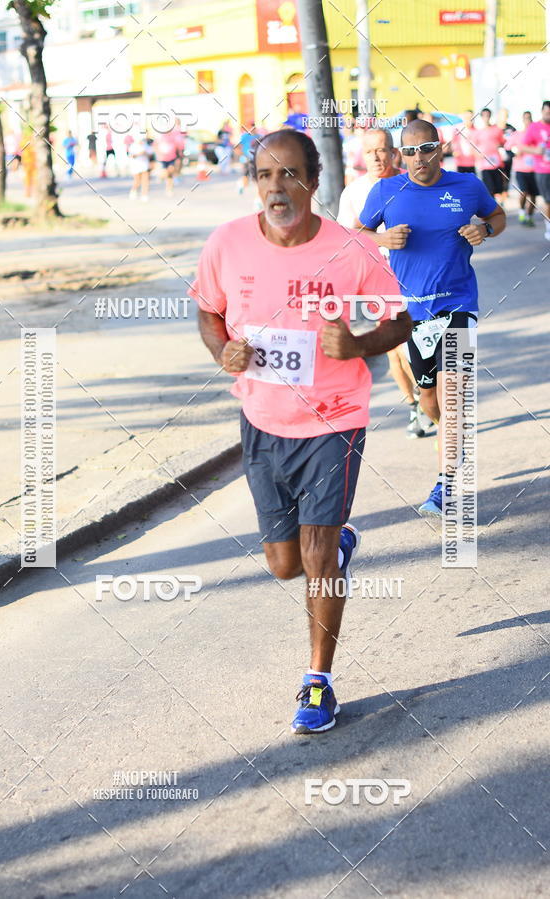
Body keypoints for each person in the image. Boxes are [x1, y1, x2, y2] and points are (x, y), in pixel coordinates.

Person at [189, 129, 411, 733]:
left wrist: (360, 344)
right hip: (262, 420)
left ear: (314, 182)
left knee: (315, 559)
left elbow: (401, 320)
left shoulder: (350, 250)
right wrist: (223, 351)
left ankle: (318, 682)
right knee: (284, 564)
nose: (276, 187)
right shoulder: (228, 243)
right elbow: (208, 309)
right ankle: (335, 546)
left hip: (334, 418)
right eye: (265, 175)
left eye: (289, 174)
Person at [359, 119, 506, 516]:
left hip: (459, 305)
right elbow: (355, 233)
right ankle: (445, 430)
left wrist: (484, 231)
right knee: (430, 398)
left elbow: (497, 216)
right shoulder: (386, 191)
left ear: (439, 148)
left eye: (425, 149)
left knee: (453, 395)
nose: (417, 158)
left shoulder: (468, 186)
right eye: (408, 151)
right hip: (413, 314)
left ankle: (446, 484)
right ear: (399, 155)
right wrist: (382, 239)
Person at [337, 127, 433, 438]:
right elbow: (345, 238)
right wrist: (380, 238)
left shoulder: (411, 182)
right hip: (377, 280)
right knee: (395, 349)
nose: (377, 157)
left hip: (418, 276)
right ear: (361, 156)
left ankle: (426, 396)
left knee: (419, 346)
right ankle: (414, 405)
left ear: (394, 152)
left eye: (382, 150)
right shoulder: (353, 192)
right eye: (370, 151)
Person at [522, 100, 550, 241]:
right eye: (547, 113)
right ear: (542, 111)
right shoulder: (535, 127)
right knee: (548, 201)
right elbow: (523, 146)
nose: (549, 116)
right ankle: (549, 228)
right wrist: (536, 150)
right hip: (543, 170)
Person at [505, 111, 537, 226]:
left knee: (533, 195)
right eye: (526, 118)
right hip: (520, 169)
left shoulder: (535, 134)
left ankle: (530, 217)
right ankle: (522, 212)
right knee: (524, 192)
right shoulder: (517, 134)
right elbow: (507, 148)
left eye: (530, 118)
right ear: (523, 120)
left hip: (534, 169)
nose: (528, 121)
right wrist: (515, 153)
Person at [473, 108, 506, 203]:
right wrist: (478, 155)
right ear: (482, 117)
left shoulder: (497, 129)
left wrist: (499, 145)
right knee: (489, 188)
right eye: (484, 116)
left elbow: (503, 143)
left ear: (490, 116)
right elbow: (473, 148)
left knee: (499, 188)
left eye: (488, 115)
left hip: (497, 163)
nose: (486, 118)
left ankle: (499, 205)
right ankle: (492, 207)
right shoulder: (478, 132)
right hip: (485, 165)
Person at [154, 126, 184, 195]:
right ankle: (161, 177)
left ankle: (169, 189)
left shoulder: (173, 136)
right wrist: (158, 154)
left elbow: (178, 145)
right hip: (162, 158)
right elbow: (155, 146)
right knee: (166, 173)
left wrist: (180, 153)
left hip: (172, 157)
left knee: (170, 172)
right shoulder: (160, 137)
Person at [128, 133, 152, 201]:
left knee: (145, 180)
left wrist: (146, 153)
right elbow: (131, 156)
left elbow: (150, 154)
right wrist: (140, 153)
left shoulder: (146, 145)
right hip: (136, 166)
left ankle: (144, 195)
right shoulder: (133, 146)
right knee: (137, 181)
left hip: (145, 165)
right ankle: (133, 190)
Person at [236, 122, 258, 193]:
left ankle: (259, 190)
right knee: (246, 175)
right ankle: (241, 185)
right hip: (245, 159)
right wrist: (241, 154)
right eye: (251, 128)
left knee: (255, 175)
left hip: (255, 159)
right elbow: (238, 147)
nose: (252, 130)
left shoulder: (259, 136)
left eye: (254, 128)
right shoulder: (244, 136)